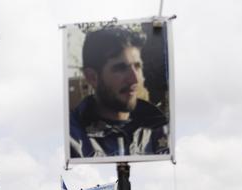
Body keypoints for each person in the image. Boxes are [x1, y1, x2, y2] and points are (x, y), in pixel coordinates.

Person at [70, 26, 169, 159]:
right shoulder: (72, 138)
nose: (134, 79)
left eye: (137, 66)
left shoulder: (160, 129)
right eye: (121, 68)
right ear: (92, 77)